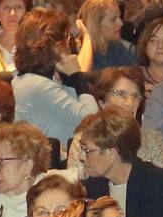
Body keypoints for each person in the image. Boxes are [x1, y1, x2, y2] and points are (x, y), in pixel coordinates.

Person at [76, 111, 163, 217]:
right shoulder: (93, 187)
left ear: (112, 153)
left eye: (86, 150)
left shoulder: (160, 186)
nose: (81, 157)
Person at [10, 10, 100, 144]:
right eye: (66, 37)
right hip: (51, 162)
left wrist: (68, 76)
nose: (69, 44)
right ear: (52, 44)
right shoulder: (37, 84)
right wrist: (76, 75)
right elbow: (92, 121)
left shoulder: (33, 79)